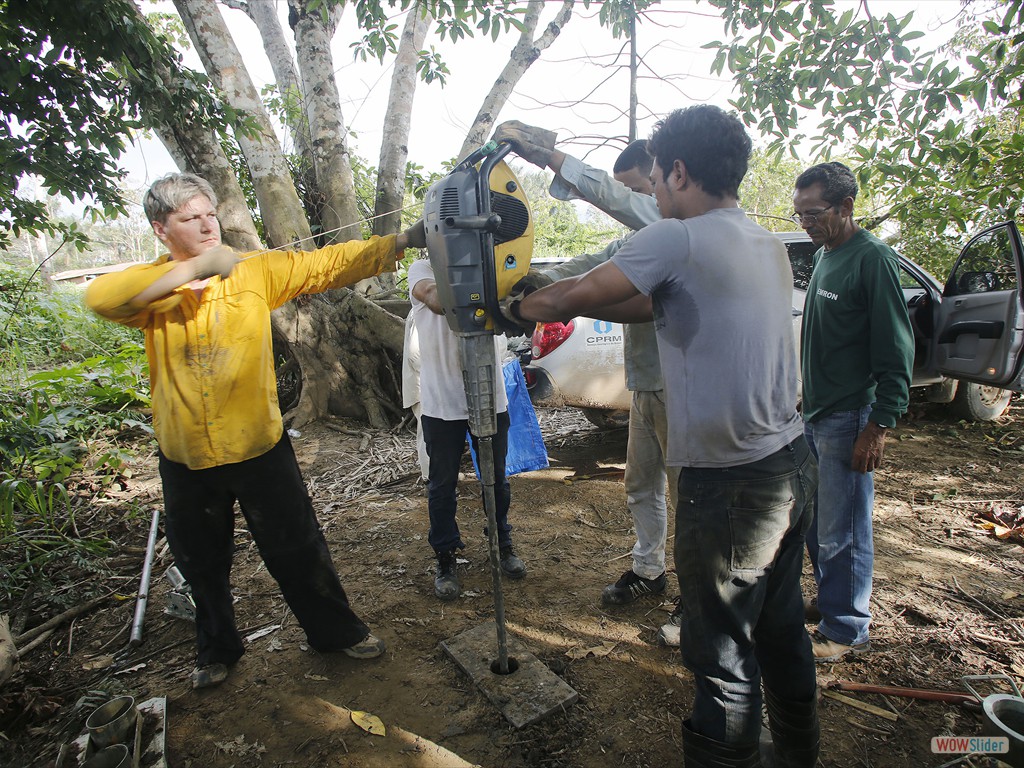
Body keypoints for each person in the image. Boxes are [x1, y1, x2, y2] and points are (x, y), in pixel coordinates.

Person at [509, 105, 819, 767]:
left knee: (722, 654)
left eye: (653, 175)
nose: (651, 188)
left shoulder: (677, 239)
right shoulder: (761, 241)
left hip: (733, 485)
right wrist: (572, 295)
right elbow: (647, 301)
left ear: (677, 170)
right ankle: (799, 756)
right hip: (791, 461)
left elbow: (571, 296)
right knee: (781, 626)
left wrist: (512, 305)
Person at [85, 172, 425, 689]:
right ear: (161, 229)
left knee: (297, 546)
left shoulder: (252, 273)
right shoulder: (151, 290)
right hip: (186, 457)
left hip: (258, 447)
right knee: (202, 562)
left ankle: (335, 633)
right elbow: (101, 298)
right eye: (189, 218)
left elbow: (325, 264)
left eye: (209, 214)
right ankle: (217, 649)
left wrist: (402, 240)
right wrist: (194, 270)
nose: (206, 225)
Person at [494, 124, 682, 641]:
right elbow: (596, 262)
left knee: (692, 497)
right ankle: (649, 570)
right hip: (646, 383)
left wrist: (553, 157)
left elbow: (617, 204)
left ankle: (699, 596)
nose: (640, 198)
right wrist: (533, 284)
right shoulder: (642, 235)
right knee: (641, 482)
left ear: (667, 179)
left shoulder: (683, 228)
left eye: (643, 188)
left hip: (683, 387)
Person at [793, 161, 914, 662]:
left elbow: (896, 351)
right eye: (799, 214)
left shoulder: (873, 260)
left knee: (844, 525)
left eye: (814, 213)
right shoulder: (827, 255)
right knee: (816, 521)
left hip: (849, 417)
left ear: (846, 207)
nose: (806, 223)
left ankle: (847, 628)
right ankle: (831, 601)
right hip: (817, 411)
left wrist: (879, 425)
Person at [406, 257, 527, 600]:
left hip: (489, 396)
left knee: (497, 479)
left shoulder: (489, 264)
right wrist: (483, 288)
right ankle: (445, 556)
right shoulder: (424, 269)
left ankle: (502, 542)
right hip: (441, 403)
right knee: (442, 484)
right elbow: (434, 298)